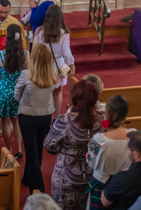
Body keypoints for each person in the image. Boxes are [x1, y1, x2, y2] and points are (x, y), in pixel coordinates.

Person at [44, 80, 104, 209]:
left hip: (65, 177)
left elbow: (49, 145)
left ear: (75, 98)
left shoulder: (64, 121)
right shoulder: (102, 121)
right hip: (91, 175)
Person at [15, 43, 57, 194]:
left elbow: (16, 96)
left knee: (32, 152)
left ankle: (38, 189)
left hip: (28, 116)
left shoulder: (26, 74)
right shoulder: (53, 74)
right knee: (37, 148)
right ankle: (28, 178)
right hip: (46, 116)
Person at [86, 94, 133, 209]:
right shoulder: (134, 136)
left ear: (107, 114)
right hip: (123, 184)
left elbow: (91, 162)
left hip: (101, 184)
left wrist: (88, 157)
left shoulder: (99, 139)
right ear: (125, 115)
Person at [0, 24, 29, 159]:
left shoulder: (0, 54)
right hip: (19, 91)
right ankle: (19, 149)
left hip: (4, 90)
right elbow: (28, 73)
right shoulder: (26, 54)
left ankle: (8, 149)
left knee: (5, 122)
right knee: (16, 121)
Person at [33, 4, 75, 120]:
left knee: (45, 92)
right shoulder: (63, 33)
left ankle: (45, 117)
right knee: (59, 91)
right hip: (59, 64)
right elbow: (67, 53)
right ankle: (56, 118)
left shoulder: (39, 31)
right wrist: (70, 65)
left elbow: (35, 51)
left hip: (43, 64)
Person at [101, 130, 141, 209]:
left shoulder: (123, 176)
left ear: (136, 154)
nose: (125, 149)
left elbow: (105, 201)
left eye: (128, 147)